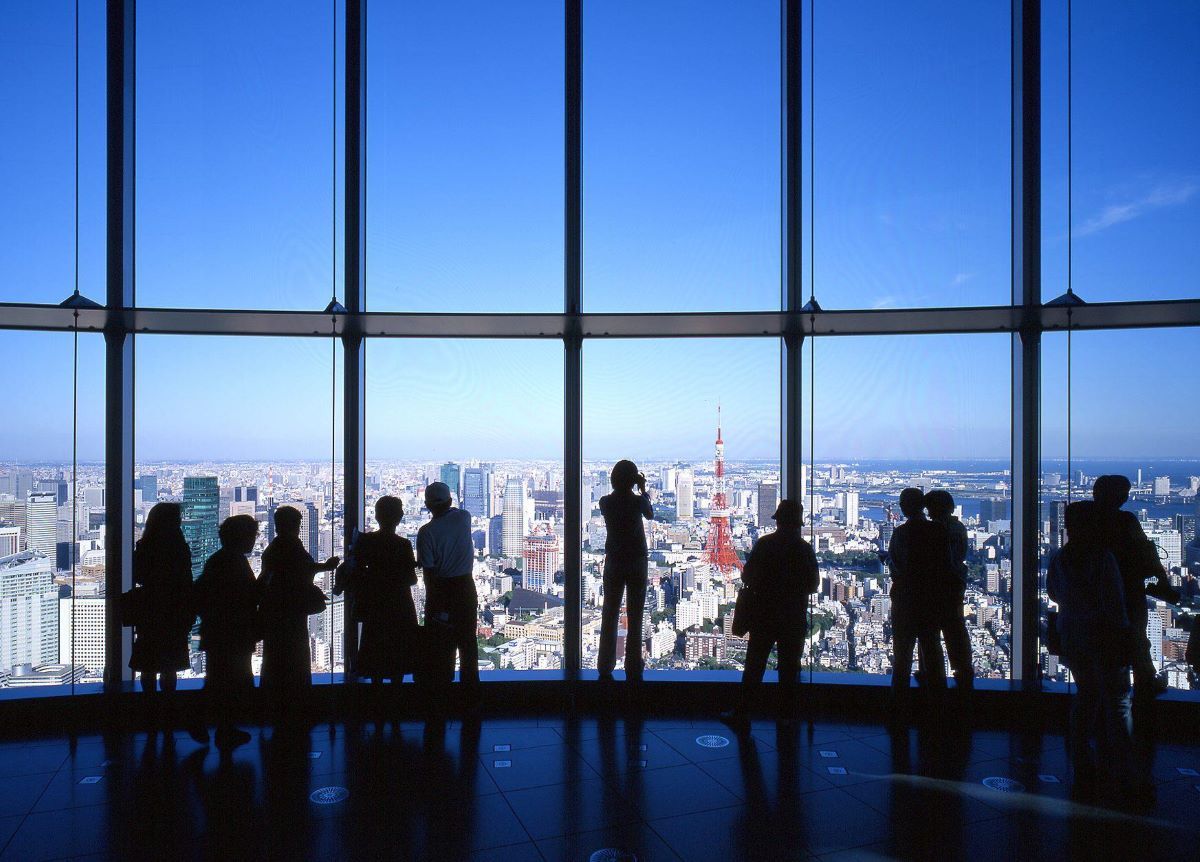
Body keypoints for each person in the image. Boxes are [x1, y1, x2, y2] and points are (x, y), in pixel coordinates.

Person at [1046, 500, 1135, 802]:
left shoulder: (1060, 558)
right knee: (1118, 702)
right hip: (1104, 636)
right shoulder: (1102, 558)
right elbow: (1114, 602)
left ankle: (1082, 758)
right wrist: (1124, 636)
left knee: (1086, 697)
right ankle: (1122, 764)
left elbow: (1053, 593)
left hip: (1072, 635)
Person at [720, 499, 818, 729]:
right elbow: (813, 584)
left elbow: (747, 577)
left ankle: (743, 712)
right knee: (789, 667)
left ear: (779, 520)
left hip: (764, 613)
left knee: (755, 664)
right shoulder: (804, 549)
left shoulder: (765, 544)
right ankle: (786, 716)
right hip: (793, 616)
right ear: (797, 523)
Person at [1093, 475, 1179, 698]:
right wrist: (1163, 586)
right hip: (1127, 590)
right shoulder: (1125, 521)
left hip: (1092, 596)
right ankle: (1145, 682)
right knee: (1137, 637)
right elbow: (1146, 556)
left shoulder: (1085, 522)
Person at [257, 505, 339, 725]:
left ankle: (274, 705)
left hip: (276, 612)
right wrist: (327, 567)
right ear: (294, 525)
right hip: (292, 613)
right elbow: (303, 569)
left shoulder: (273, 548)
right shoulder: (292, 545)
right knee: (295, 657)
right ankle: (297, 705)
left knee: (275, 658)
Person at [343, 496, 419, 703]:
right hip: (399, 605)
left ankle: (375, 705)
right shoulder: (403, 545)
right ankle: (395, 705)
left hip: (374, 604)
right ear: (400, 517)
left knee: (374, 649)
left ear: (376, 515)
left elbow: (356, 571)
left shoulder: (366, 541)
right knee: (398, 653)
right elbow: (411, 579)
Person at [193, 515, 260, 750]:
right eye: (252, 535)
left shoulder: (219, 560)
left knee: (218, 681)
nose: (254, 540)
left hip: (217, 632)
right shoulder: (234, 563)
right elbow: (248, 595)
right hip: (233, 632)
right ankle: (218, 727)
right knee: (229, 682)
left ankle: (221, 728)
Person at [130, 503, 195, 730]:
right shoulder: (179, 548)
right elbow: (187, 581)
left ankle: (149, 709)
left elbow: (137, 575)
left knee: (148, 663)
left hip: (150, 609)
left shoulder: (145, 545)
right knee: (169, 665)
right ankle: (168, 709)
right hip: (174, 611)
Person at [416, 482, 479, 706]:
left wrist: (434, 604)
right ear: (451, 502)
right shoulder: (464, 518)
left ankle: (441, 701)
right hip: (465, 588)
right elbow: (453, 511)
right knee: (468, 644)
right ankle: (471, 698)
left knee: (441, 647)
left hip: (441, 590)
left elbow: (429, 572)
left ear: (426, 505)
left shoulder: (426, 533)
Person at [888, 487, 951, 698]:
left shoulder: (901, 533)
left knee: (902, 655)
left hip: (905, 599)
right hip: (931, 599)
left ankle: (899, 704)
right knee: (932, 650)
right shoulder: (938, 531)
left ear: (904, 507)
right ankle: (938, 703)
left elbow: (896, 567)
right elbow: (946, 566)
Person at [597, 460, 654, 683]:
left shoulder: (605, 502)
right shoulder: (639, 502)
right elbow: (649, 514)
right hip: (637, 561)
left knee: (609, 612)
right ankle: (633, 666)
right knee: (636, 614)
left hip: (614, 560)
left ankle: (604, 664)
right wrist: (642, 489)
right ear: (633, 479)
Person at [923, 490, 974, 691]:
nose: (928, 512)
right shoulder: (958, 527)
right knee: (956, 628)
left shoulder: (935, 529)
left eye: (930, 508)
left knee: (931, 630)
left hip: (936, 584)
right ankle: (963, 670)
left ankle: (932, 672)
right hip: (956, 582)